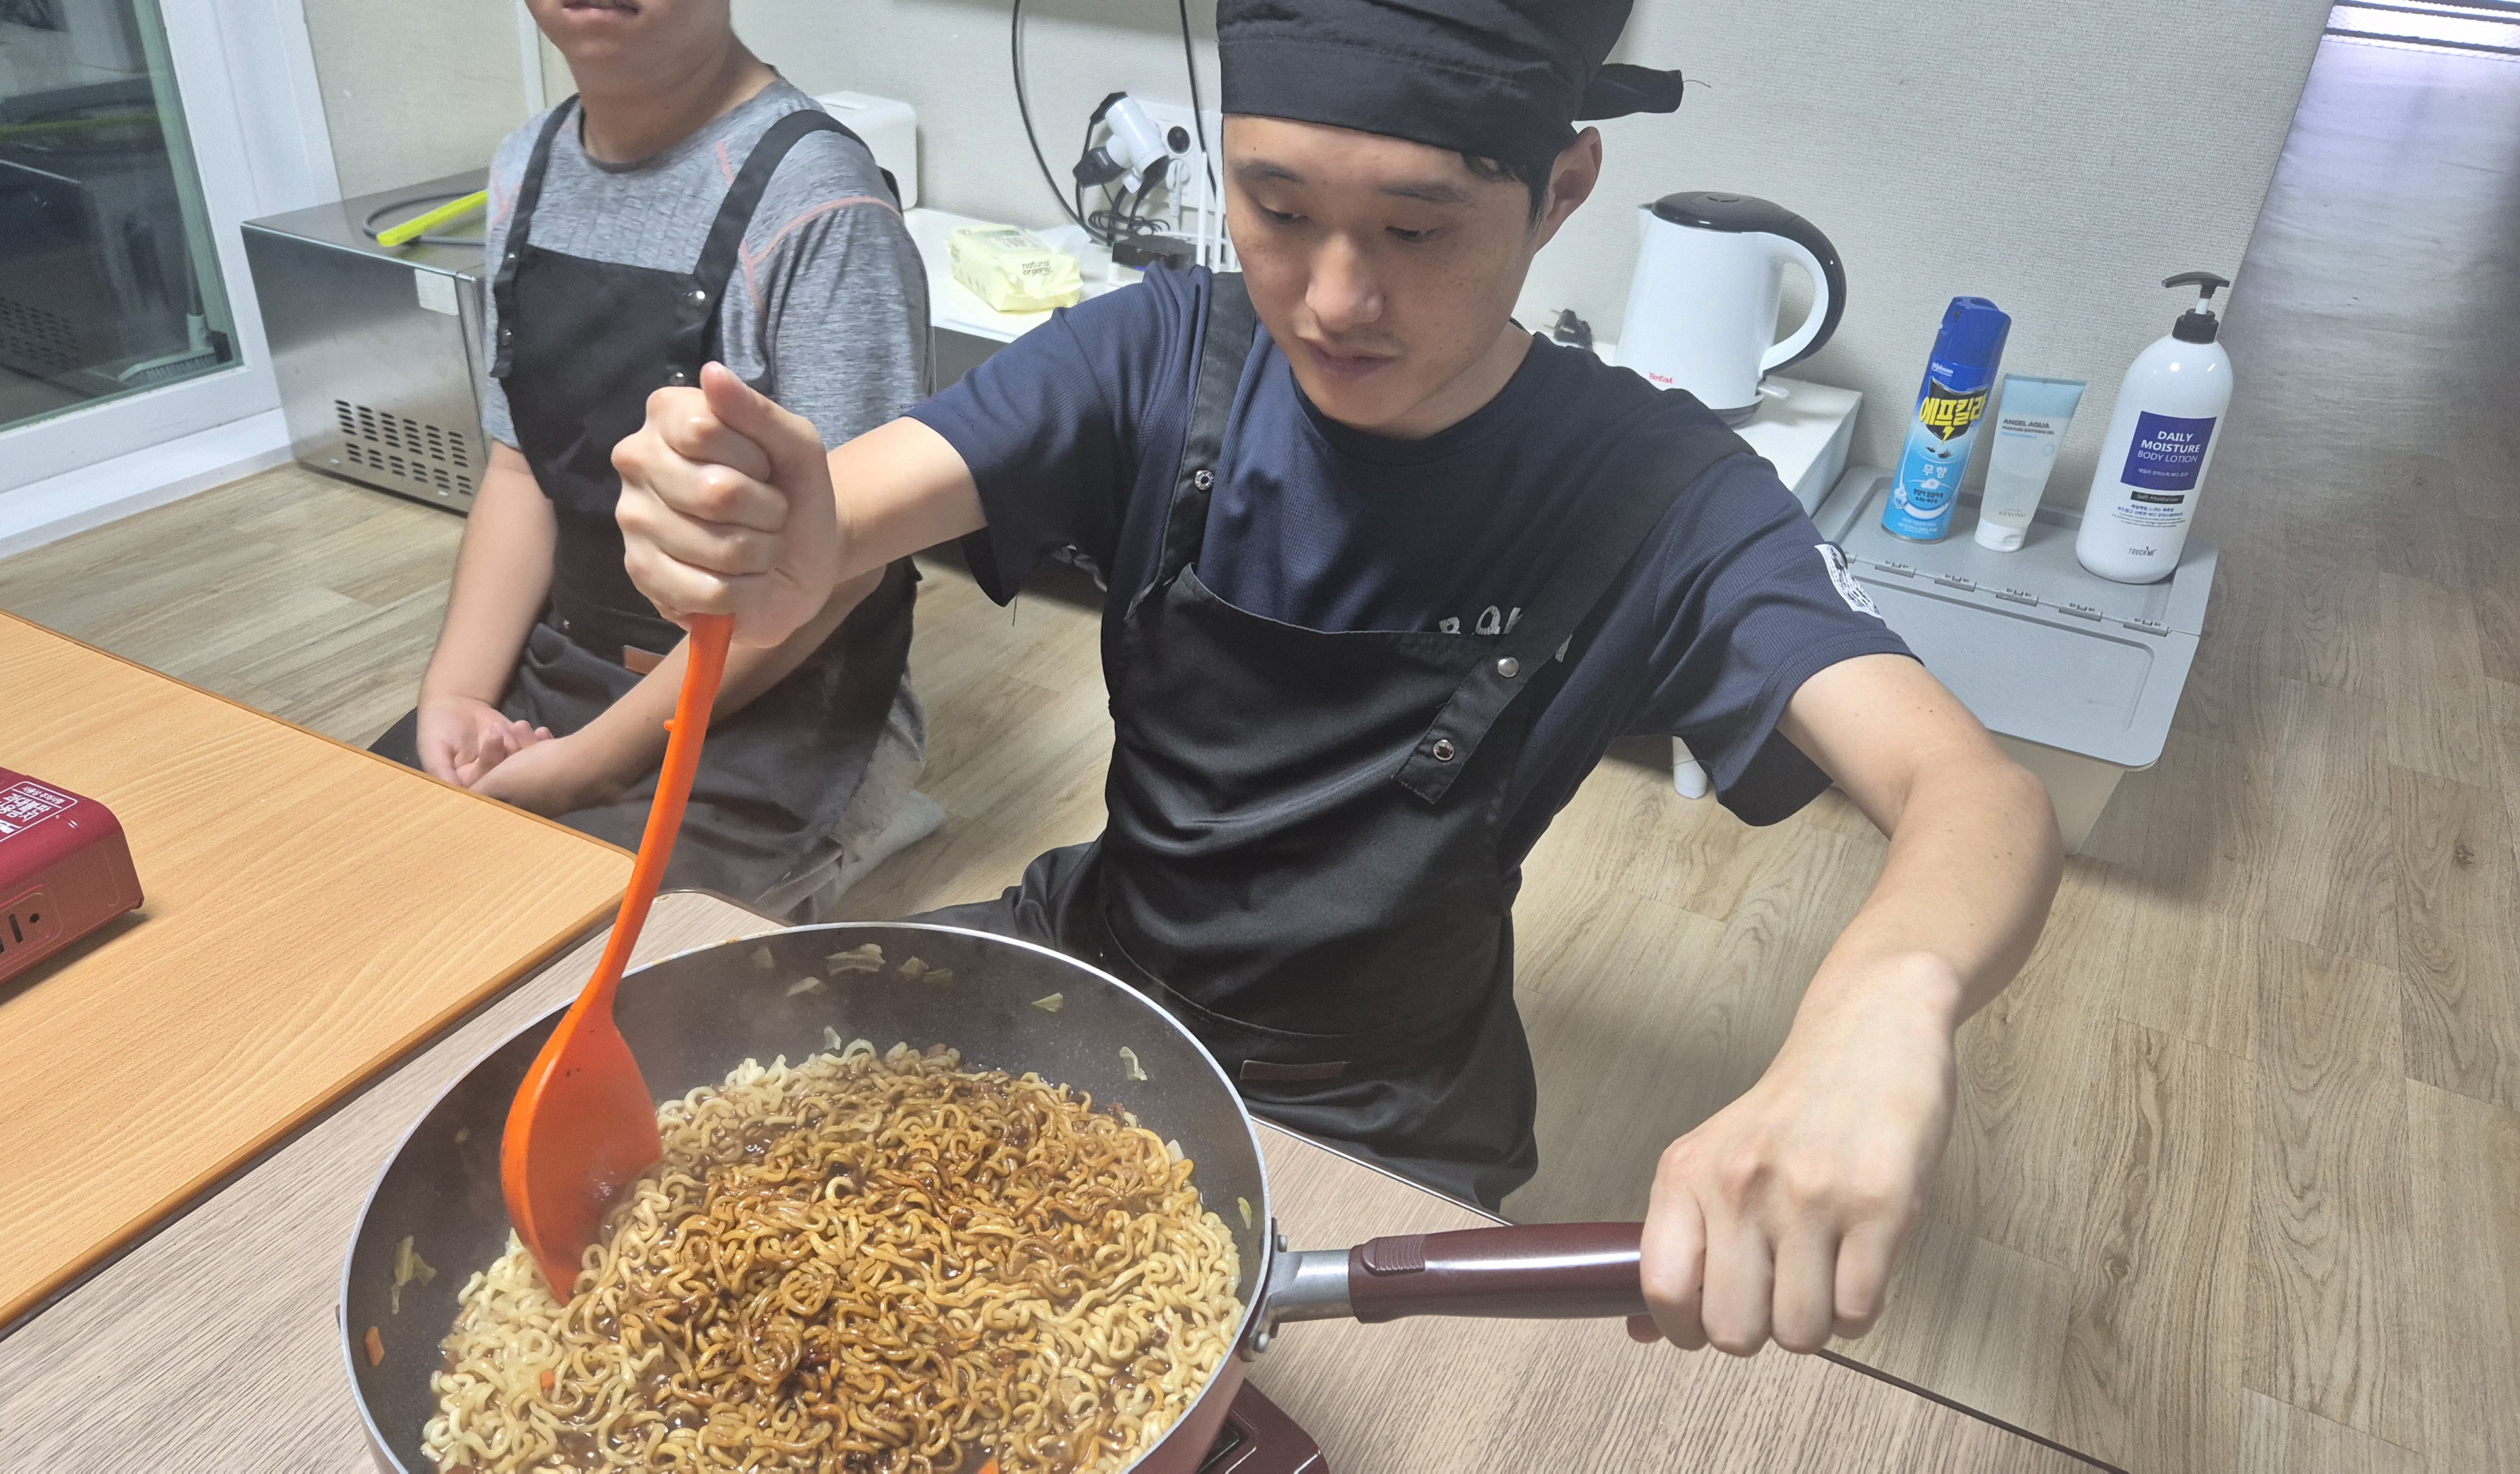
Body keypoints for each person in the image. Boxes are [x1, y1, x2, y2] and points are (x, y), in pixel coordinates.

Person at [610, 0, 2064, 1359]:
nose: (1334, 298)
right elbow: (848, 504)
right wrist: (773, 533)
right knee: (732, 1159)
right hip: (1096, 964)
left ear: (1560, 193)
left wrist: (1885, 1001)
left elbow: (1970, 789)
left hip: (1375, 1098)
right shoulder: (1164, 349)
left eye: (1418, 230)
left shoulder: (1662, 490)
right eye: (1279, 209)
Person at [370, 0, 938, 920]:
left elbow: (841, 570)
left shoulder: (823, 203)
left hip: (786, 715)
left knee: (554, 952)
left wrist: (585, 771)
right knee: (357, 865)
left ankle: (867, 821)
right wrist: (456, 696)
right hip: (569, 668)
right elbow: (520, 470)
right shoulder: (526, 165)